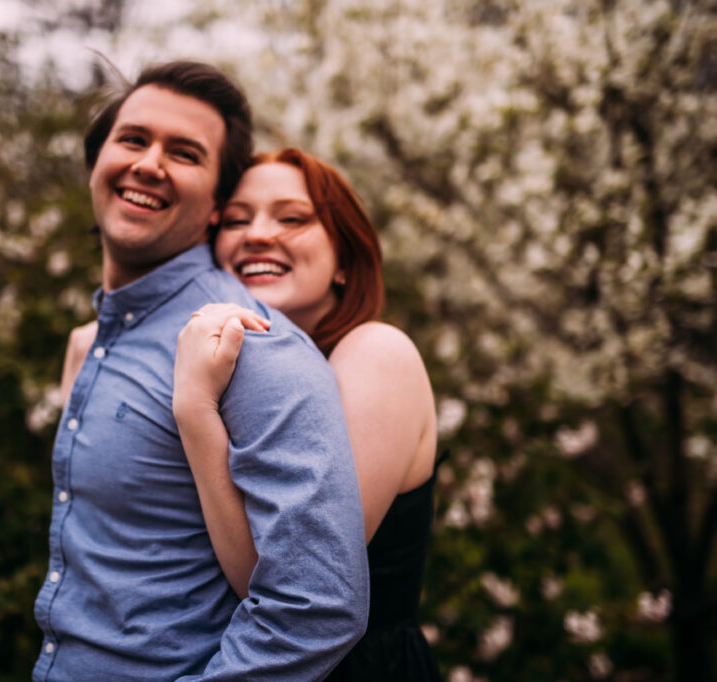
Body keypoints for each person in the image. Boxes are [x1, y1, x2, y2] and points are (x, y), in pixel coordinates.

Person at [33, 62, 369, 682]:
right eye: (133, 139)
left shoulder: (249, 343)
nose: (149, 164)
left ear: (217, 204)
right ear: (97, 161)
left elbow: (316, 607)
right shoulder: (94, 340)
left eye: (184, 153)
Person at [173, 148, 444, 681]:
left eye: (292, 218)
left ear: (344, 260)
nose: (257, 234)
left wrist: (195, 413)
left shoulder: (376, 353)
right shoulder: (233, 369)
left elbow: (287, 585)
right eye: (236, 220)